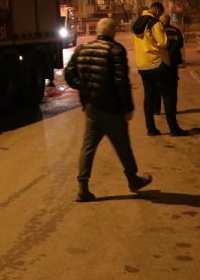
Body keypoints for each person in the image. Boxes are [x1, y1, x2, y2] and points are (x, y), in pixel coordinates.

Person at [64, 18, 153, 201]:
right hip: (111, 108)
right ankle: (133, 180)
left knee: (88, 147)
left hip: (92, 107)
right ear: (112, 32)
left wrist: (85, 87)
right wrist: (127, 107)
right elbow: (121, 82)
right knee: (123, 146)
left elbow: (69, 74)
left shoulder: (83, 49)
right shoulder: (115, 50)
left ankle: (83, 186)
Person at [131, 2, 189, 137]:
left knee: (148, 97)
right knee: (168, 96)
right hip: (157, 64)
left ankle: (151, 129)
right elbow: (164, 43)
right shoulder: (155, 23)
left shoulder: (136, 24)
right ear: (157, 10)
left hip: (142, 65)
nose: (160, 15)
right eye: (160, 13)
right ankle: (174, 129)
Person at [160, 13, 184, 110]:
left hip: (163, 61)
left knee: (164, 86)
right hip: (174, 61)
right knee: (173, 86)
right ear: (169, 21)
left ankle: (165, 108)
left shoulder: (160, 31)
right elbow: (181, 44)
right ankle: (173, 107)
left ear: (161, 22)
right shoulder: (176, 31)